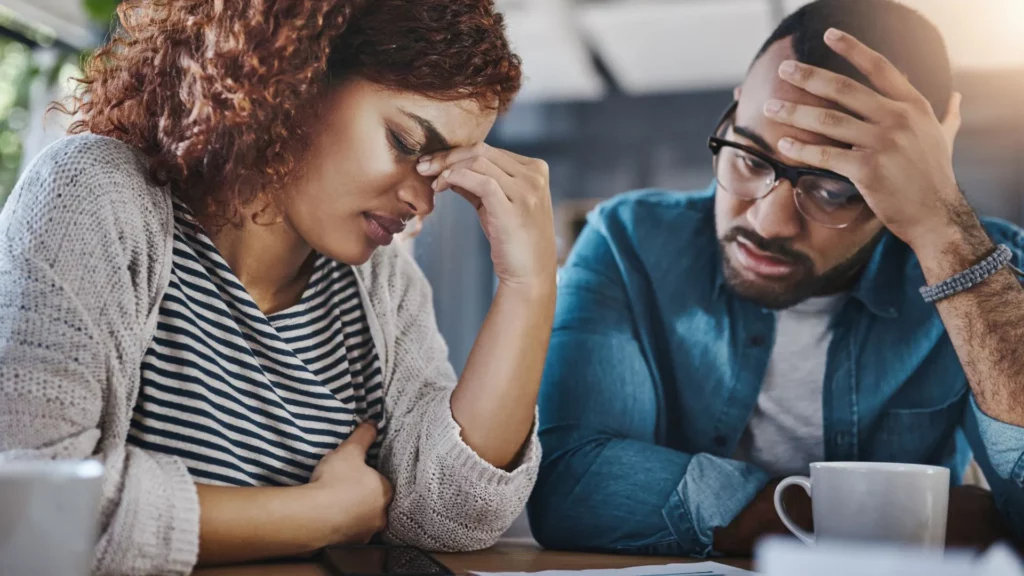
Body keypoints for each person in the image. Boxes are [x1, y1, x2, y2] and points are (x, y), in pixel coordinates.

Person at [0, 0, 556, 573]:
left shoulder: (386, 287)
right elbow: (34, 510)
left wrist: (529, 285)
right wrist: (322, 516)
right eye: (406, 143)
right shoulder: (94, 196)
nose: (423, 200)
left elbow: (449, 514)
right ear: (294, 80)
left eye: (441, 169)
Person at [529, 0, 1024, 557]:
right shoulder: (630, 242)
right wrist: (914, 520)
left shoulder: (987, 269)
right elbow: (570, 487)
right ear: (734, 110)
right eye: (749, 158)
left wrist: (944, 227)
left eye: (833, 190)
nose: (768, 223)